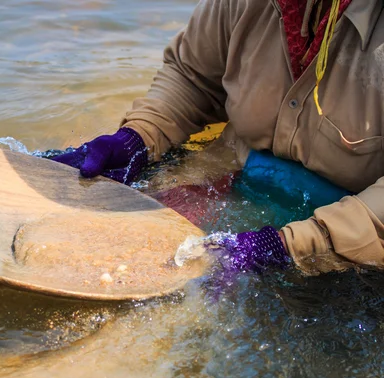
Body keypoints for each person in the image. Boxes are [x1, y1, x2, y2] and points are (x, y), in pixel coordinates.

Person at [53, 0, 384, 276]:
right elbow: (192, 76)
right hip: (238, 169)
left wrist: (286, 248)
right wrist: (138, 137)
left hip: (355, 228)